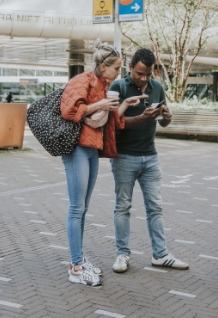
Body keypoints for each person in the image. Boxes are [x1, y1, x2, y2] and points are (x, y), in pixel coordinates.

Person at [60, 40, 145, 287]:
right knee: (77, 208)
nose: (119, 72)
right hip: (76, 149)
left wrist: (124, 105)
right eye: (117, 67)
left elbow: (105, 120)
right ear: (104, 65)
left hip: (92, 149)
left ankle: (79, 260)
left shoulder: (105, 84)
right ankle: (75, 267)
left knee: (83, 208)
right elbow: (69, 112)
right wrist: (99, 104)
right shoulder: (81, 80)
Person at [108, 48, 189, 273]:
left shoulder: (157, 87)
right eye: (139, 73)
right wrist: (141, 118)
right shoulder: (119, 88)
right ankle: (122, 254)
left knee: (156, 207)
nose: (144, 79)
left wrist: (167, 117)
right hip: (124, 157)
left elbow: (162, 123)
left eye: (148, 74)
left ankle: (160, 254)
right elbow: (113, 124)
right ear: (130, 67)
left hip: (151, 157)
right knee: (123, 206)